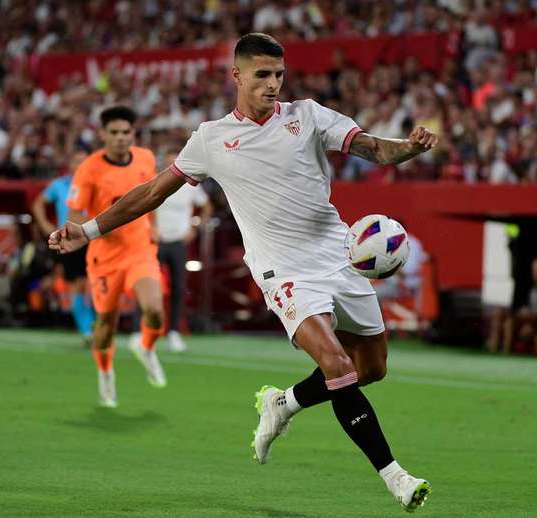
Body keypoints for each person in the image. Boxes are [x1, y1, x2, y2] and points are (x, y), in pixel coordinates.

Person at [50, 33, 437, 512]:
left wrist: (408, 148)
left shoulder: (308, 116)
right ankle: (397, 478)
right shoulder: (211, 139)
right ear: (236, 75)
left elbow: (373, 148)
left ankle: (284, 402)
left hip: (339, 256)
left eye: (279, 75)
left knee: (371, 369)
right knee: (338, 368)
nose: (273, 84)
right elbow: (151, 192)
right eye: (262, 75)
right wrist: (88, 230)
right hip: (283, 270)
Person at [64, 106, 168, 408]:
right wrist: (93, 229)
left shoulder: (146, 158)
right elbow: (74, 213)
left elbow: (152, 196)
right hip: (105, 258)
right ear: (103, 134)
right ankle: (105, 373)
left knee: (154, 310)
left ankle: (146, 347)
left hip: (139, 250)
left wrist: (154, 226)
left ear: (133, 133)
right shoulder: (89, 169)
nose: (121, 138)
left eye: (126, 132)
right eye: (114, 132)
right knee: (106, 323)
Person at [129, 150, 213, 352]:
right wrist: (150, 227)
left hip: (178, 242)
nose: (172, 166)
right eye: (168, 162)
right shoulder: (155, 181)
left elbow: (207, 207)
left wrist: (195, 228)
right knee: (146, 284)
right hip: (155, 241)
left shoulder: (191, 185)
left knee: (178, 287)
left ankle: (174, 332)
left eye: (174, 161)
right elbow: (142, 206)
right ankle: (137, 331)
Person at [32, 149, 96, 346]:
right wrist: (45, 226)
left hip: (93, 239)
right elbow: (38, 204)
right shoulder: (60, 185)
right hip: (71, 241)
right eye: (77, 161)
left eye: (84, 161)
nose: (80, 165)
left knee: (94, 285)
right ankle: (88, 331)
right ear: (70, 165)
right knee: (77, 285)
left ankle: (95, 328)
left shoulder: (96, 184)